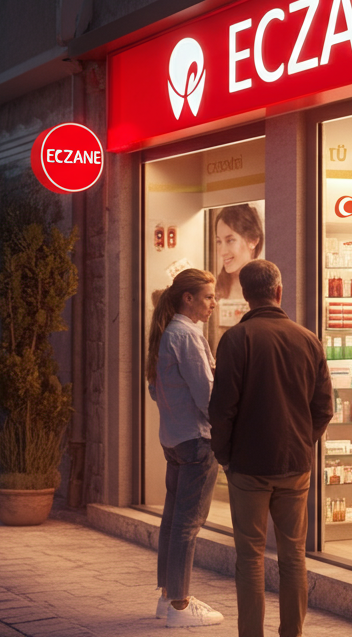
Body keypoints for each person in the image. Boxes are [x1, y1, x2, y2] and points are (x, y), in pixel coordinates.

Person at [209, 260, 332, 637]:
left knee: (250, 558)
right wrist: (300, 442)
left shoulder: (236, 339)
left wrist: (225, 455)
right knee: (294, 556)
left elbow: (221, 408)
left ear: (246, 296)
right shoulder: (308, 339)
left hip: (247, 466)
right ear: (278, 292)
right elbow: (324, 408)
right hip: (295, 466)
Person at [145, 269, 224, 628]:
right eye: (208, 296)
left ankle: (167, 597)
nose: (213, 302)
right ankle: (179, 605)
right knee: (187, 526)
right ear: (188, 298)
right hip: (197, 441)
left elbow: (155, 390)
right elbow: (207, 395)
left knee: (173, 522)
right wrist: (228, 432)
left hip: (175, 438)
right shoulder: (187, 335)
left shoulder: (167, 333)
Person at [212, 204, 264, 299]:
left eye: (230, 240)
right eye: (219, 241)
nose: (222, 252)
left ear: (253, 240)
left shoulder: (266, 288)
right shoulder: (213, 290)